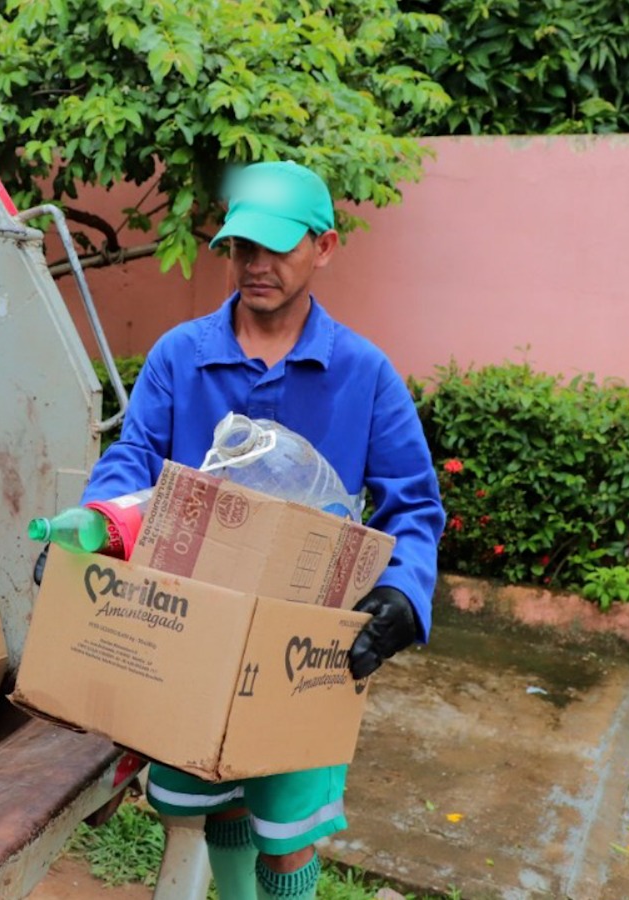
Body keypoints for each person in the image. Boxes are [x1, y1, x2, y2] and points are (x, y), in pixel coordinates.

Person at [78, 160, 444, 900]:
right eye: (243, 247)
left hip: (304, 642)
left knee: (287, 828)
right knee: (216, 798)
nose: (256, 265)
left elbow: (412, 504)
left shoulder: (363, 373)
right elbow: (133, 458)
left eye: (277, 247)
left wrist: (404, 593)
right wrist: (96, 526)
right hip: (193, 627)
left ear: (324, 247)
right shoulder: (182, 356)